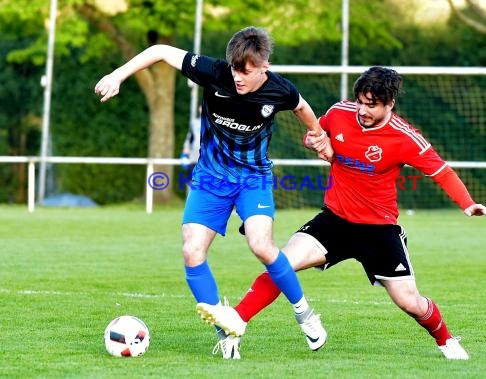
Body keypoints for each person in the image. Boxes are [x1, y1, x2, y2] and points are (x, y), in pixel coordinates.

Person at [221, 66, 486, 360]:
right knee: (281, 265)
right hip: (335, 220)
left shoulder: (405, 137)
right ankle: (234, 324)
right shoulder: (340, 112)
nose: (362, 110)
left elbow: (442, 171)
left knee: (410, 302)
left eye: (371, 105)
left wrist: (467, 204)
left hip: (379, 230)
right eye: (361, 102)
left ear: (389, 103)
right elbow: (317, 133)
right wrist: (312, 141)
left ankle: (446, 340)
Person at [94, 26, 333, 359]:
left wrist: (318, 135)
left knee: (262, 246)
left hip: (253, 178)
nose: (237, 76)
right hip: (210, 179)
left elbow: (302, 107)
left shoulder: (280, 90)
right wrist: (119, 75)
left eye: (246, 71)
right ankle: (227, 330)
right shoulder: (215, 72)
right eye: (234, 68)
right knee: (192, 252)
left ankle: (305, 314)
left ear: (264, 66)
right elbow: (161, 50)